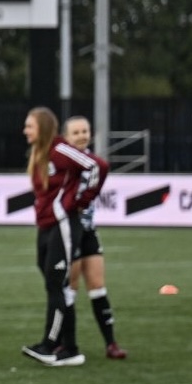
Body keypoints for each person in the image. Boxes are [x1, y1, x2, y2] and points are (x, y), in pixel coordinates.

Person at [20, 108, 98, 367]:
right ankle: (71, 347)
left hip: (63, 224)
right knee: (58, 286)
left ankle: (50, 344)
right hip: (45, 226)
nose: (25, 131)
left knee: (56, 283)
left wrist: (83, 200)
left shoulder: (59, 150)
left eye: (29, 126)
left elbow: (96, 166)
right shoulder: (39, 154)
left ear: (41, 128)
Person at [62, 116, 126, 360]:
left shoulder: (94, 164)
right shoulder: (63, 164)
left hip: (88, 231)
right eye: (75, 132)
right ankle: (65, 343)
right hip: (68, 230)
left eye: (85, 131)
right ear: (66, 138)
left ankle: (111, 343)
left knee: (98, 286)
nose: (81, 136)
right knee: (70, 288)